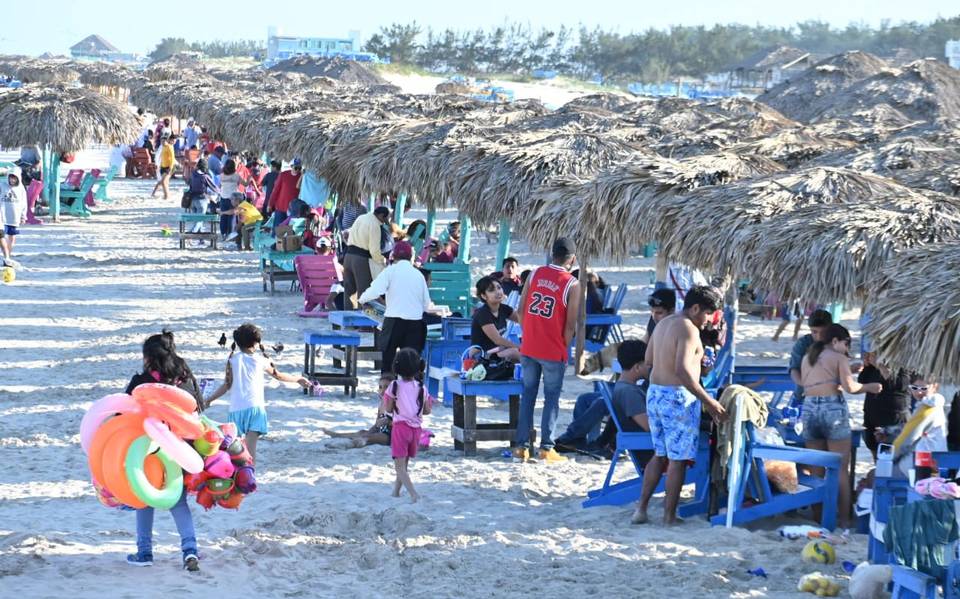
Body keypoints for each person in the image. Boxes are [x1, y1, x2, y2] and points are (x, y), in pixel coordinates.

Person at [634, 285, 727, 526]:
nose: (708, 321)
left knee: (659, 454)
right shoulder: (688, 329)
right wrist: (710, 402)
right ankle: (669, 516)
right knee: (677, 460)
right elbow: (683, 372)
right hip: (677, 396)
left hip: (654, 393)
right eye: (707, 314)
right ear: (695, 308)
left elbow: (649, 360)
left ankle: (641, 509)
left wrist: (698, 362)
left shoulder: (663, 323)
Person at [123, 331, 202, 571]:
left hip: (147, 448)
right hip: (180, 449)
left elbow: (122, 412)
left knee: (144, 499)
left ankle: (144, 552)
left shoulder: (141, 382)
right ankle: (190, 551)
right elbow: (199, 408)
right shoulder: (184, 378)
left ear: (148, 357)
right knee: (178, 503)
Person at [800, 323, 881, 527]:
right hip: (832, 409)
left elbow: (818, 381)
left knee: (817, 467)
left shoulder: (807, 357)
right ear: (835, 341)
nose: (847, 350)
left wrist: (848, 370)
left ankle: (818, 518)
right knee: (840, 468)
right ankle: (845, 519)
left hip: (809, 409)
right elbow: (850, 388)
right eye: (846, 344)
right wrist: (871, 387)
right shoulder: (838, 357)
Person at [513, 237, 581, 463]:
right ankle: (546, 447)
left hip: (529, 345)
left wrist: (530, 333)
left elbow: (521, 310)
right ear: (571, 259)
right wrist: (563, 345)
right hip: (552, 349)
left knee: (528, 395)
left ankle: (521, 446)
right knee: (551, 398)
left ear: (553, 255)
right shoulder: (572, 283)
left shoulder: (534, 274)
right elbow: (570, 324)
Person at [205, 323, 310, 462]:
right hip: (255, 409)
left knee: (236, 452)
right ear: (255, 342)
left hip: (235, 410)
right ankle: (249, 477)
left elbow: (226, 385)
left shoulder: (232, 360)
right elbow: (279, 376)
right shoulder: (261, 360)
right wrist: (298, 379)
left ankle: (237, 478)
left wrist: (210, 399)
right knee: (250, 452)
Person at [555, 340, 649, 454]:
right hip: (629, 386)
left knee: (602, 402)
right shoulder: (656, 329)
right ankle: (578, 440)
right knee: (584, 399)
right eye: (648, 364)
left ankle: (590, 441)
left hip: (636, 389)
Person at [359, 241, 431, 374]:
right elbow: (426, 304)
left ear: (394, 256)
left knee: (388, 360)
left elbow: (375, 290)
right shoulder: (418, 275)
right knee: (411, 363)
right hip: (415, 324)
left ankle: (387, 390)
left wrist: (362, 299)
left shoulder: (390, 271)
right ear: (411, 257)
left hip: (393, 322)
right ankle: (410, 391)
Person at [383, 348, 433, 503]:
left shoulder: (394, 385)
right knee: (404, 464)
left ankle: (413, 494)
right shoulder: (421, 387)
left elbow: (389, 408)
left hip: (400, 428)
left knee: (399, 466)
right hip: (416, 430)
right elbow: (427, 411)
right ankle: (396, 492)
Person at [858, 352, 911, 459]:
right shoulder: (873, 368)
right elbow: (862, 380)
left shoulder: (903, 364)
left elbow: (899, 384)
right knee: (877, 459)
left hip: (894, 421)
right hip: (872, 419)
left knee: (893, 462)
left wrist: (880, 366)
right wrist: (867, 365)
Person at [344, 205, 390, 308]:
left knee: (349, 293)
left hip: (348, 257)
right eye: (384, 220)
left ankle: (349, 321)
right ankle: (365, 324)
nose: (383, 223)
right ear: (382, 216)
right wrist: (383, 260)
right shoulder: (375, 225)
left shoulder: (362, 217)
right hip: (360, 260)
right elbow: (374, 251)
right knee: (365, 294)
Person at [471, 276, 521, 363]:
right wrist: (520, 347)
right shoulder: (483, 313)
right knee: (515, 352)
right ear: (483, 296)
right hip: (481, 357)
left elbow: (523, 320)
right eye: (491, 290)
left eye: (499, 288)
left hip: (497, 352)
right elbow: (497, 340)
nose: (498, 292)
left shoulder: (504, 309)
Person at [789, 309, 833, 405]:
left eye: (823, 332)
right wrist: (805, 384)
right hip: (803, 394)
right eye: (814, 332)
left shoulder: (836, 343)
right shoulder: (803, 343)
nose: (819, 336)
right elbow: (794, 369)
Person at [907, 375, 947, 454]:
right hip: (920, 453)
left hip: (936, 454)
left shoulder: (936, 399)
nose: (919, 392)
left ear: (935, 387)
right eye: (915, 388)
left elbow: (937, 400)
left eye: (924, 388)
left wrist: (924, 399)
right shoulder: (917, 406)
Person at [218, 159, 256, 240]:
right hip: (233, 198)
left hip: (223, 197)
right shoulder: (236, 176)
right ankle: (230, 234)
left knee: (223, 215)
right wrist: (249, 178)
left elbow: (219, 186)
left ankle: (223, 233)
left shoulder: (221, 175)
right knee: (231, 216)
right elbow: (245, 184)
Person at [266, 158, 302, 228]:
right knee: (277, 230)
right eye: (296, 168)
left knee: (288, 232)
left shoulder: (302, 177)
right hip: (280, 207)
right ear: (291, 166)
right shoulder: (283, 175)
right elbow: (275, 190)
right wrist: (270, 204)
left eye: (299, 168)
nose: (297, 170)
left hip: (293, 210)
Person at [1, 171, 27, 263]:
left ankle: (8, 257)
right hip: (2, 216)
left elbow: (24, 203)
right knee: (1, 236)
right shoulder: (2, 185)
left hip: (14, 217)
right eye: (11, 177)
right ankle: (6, 255)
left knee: (12, 237)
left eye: (14, 178)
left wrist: (23, 216)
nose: (12, 180)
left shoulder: (21, 188)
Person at [151, 133, 177, 200]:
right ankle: (162, 194)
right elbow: (161, 157)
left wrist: (170, 168)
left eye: (164, 141)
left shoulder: (169, 147)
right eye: (161, 141)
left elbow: (172, 158)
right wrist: (159, 165)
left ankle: (166, 196)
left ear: (167, 141)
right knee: (163, 182)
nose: (162, 142)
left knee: (163, 182)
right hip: (163, 166)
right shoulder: (163, 147)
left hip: (169, 167)